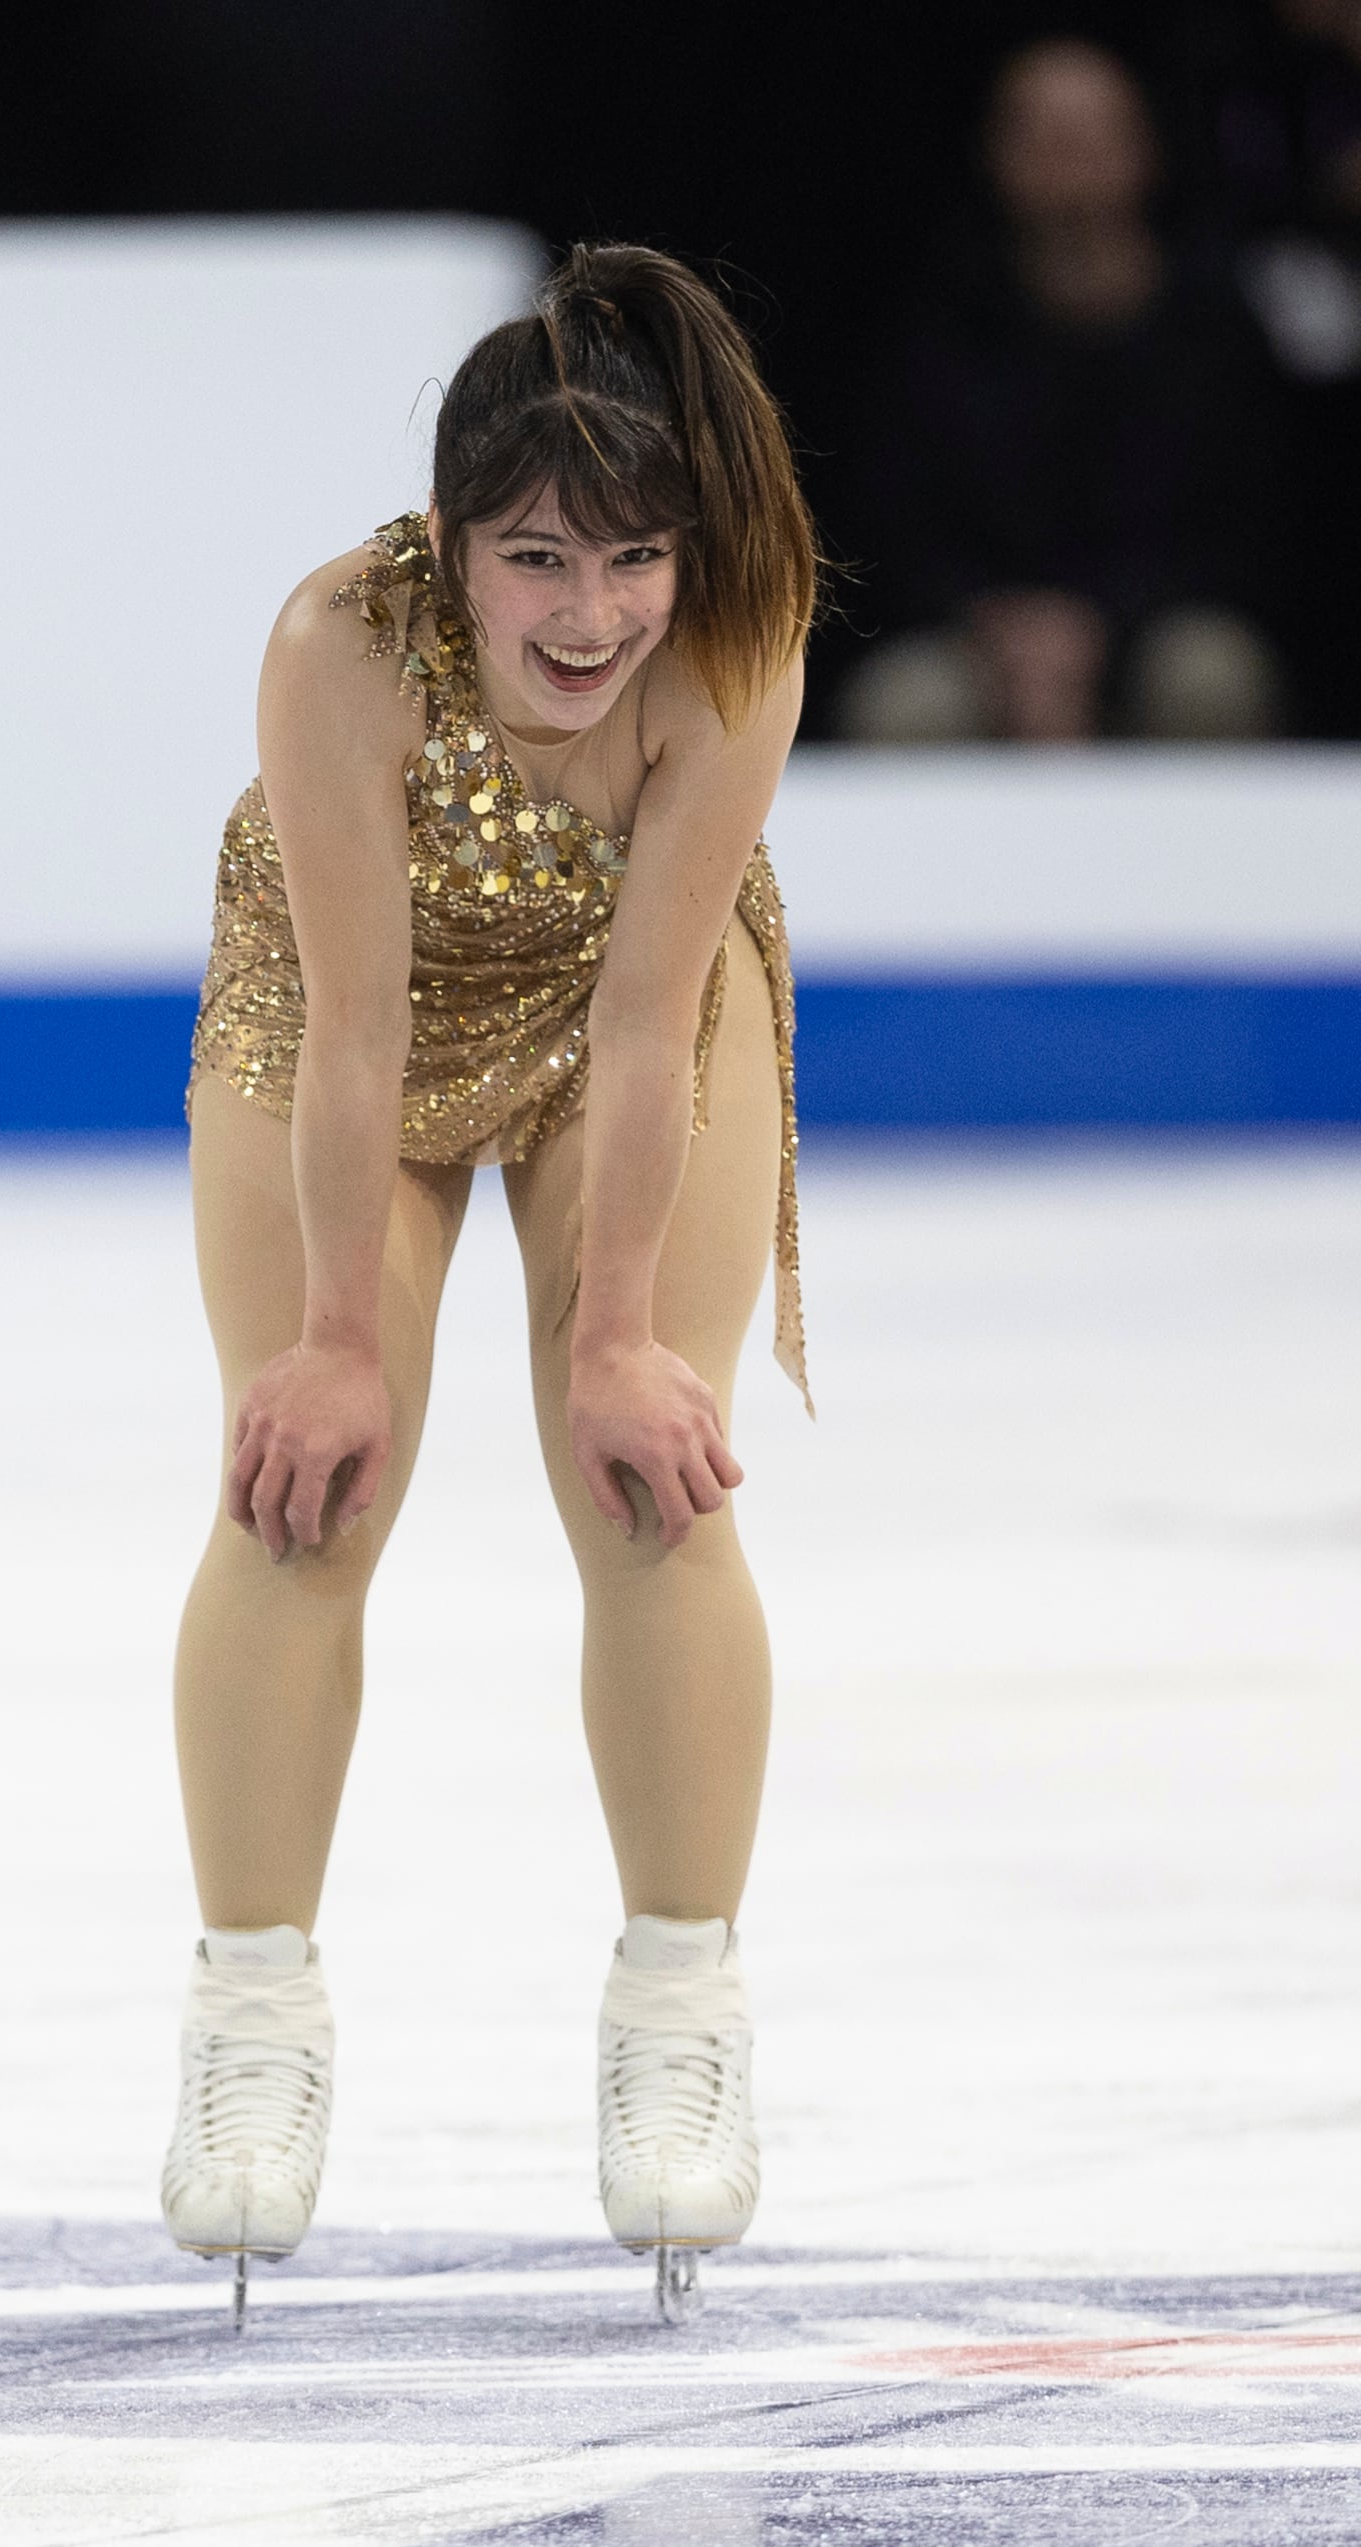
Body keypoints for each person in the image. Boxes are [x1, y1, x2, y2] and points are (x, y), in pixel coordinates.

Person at [160, 243, 820, 2301]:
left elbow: (640, 1023)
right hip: (341, 1006)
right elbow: (358, 1029)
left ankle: (678, 2013)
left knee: (649, 1472)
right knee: (303, 1483)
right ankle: (250, 2024)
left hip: (618, 1014)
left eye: (629, 558)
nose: (588, 616)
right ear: (447, 549)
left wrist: (615, 1332)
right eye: (535, 559)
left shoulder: (730, 648)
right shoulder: (336, 646)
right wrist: (340, 1341)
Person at [836, 39, 1291, 744]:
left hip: (1155, 625)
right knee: (903, 703)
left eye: (1090, 136)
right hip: (986, 632)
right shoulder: (944, 323)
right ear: (994, 153)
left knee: (1212, 676)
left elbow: (1246, 529)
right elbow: (898, 523)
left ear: (1146, 148)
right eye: (1043, 136)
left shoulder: (1215, 328)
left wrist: (1103, 622)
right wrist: (997, 623)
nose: (1068, 160)